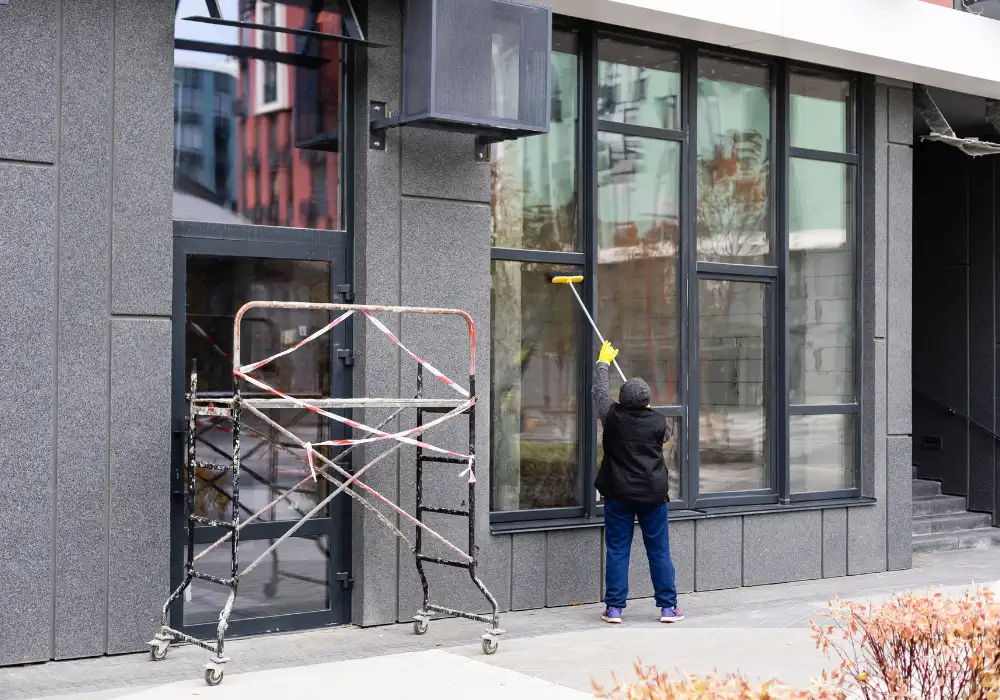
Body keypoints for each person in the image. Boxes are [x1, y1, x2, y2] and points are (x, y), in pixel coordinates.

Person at [593, 340, 683, 624]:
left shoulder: (612, 416)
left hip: (618, 493)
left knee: (618, 549)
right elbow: (666, 433)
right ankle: (668, 608)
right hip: (652, 495)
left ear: (622, 399)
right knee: (659, 550)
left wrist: (603, 362)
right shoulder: (659, 422)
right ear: (646, 401)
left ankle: (615, 609)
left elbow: (598, 392)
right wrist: (650, 410)